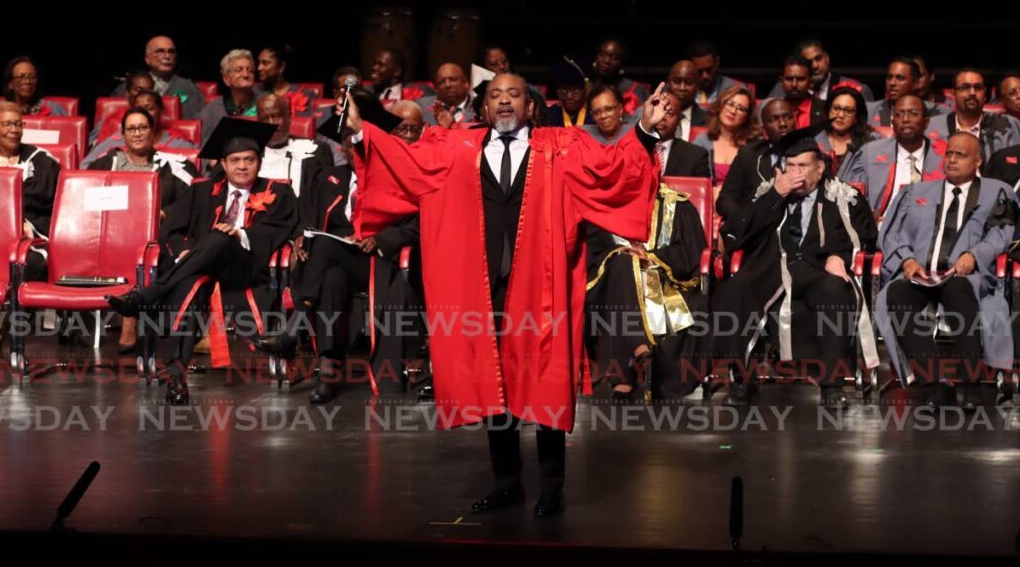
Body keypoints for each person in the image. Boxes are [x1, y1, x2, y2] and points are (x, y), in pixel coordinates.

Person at [342, 72, 670, 517]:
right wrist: (362, 130)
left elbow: (612, 170)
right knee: (496, 385)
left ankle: (551, 486)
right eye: (495, 95)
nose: (503, 102)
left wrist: (646, 130)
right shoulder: (456, 148)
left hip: (542, 285)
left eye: (513, 94)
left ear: (530, 106)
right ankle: (507, 481)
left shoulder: (561, 146)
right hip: (481, 286)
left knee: (547, 382)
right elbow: (403, 161)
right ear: (483, 108)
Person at [106, 118, 298, 404]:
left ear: (259, 162)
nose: (242, 166)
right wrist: (185, 251)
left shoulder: (278, 192)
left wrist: (240, 233)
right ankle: (177, 378)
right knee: (193, 285)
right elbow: (172, 230)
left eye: (249, 159)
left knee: (220, 237)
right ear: (223, 162)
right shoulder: (200, 190)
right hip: (199, 269)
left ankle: (150, 292)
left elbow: (282, 231)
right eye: (235, 160)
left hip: (245, 269)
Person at [253, 93, 420, 403]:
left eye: (357, 141)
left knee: (327, 254)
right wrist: (302, 237)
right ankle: (328, 373)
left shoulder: (396, 177)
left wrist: (381, 240)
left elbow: (415, 223)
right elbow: (309, 220)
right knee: (330, 274)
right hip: (337, 261)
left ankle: (294, 330)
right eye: (346, 143)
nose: (352, 148)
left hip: (377, 262)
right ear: (341, 148)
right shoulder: (328, 177)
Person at [712, 134, 878, 408]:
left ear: (820, 168)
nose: (795, 173)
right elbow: (737, 232)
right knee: (737, 287)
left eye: (802, 166)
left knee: (834, 289)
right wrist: (776, 195)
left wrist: (840, 256)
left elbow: (867, 235)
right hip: (773, 268)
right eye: (790, 166)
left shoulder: (843, 195)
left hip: (818, 271)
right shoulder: (770, 191)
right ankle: (741, 379)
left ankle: (831, 385)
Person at [873, 133, 1017, 409]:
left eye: (960, 155)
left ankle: (971, 383)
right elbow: (892, 233)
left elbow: (1002, 233)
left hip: (964, 275)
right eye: (948, 153)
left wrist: (975, 254)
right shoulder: (916, 192)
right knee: (897, 295)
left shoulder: (996, 192)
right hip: (920, 272)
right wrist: (906, 259)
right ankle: (934, 384)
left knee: (959, 290)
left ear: (978, 160)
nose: (951, 159)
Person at [88, 107, 199, 355]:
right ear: (123, 135)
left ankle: (132, 315)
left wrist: (164, 213)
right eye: (131, 129)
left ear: (153, 133)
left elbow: (189, 202)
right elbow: (88, 197)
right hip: (111, 236)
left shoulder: (173, 166)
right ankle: (130, 313)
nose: (137, 133)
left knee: (156, 251)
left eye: (143, 128)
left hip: (157, 237)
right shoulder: (107, 164)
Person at [585, 178, 709, 400]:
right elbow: (591, 254)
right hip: (617, 279)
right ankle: (638, 347)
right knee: (622, 265)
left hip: (664, 278)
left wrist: (650, 257)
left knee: (635, 278)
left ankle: (626, 375)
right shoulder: (603, 204)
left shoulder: (676, 205)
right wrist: (622, 258)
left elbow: (690, 253)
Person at [839, 95, 945, 217]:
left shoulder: (943, 155)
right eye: (899, 114)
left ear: (926, 122)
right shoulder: (870, 153)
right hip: (880, 227)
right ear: (893, 122)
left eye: (913, 113)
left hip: (928, 229)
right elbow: (848, 198)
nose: (905, 119)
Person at [0, 102, 59, 281]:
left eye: (18, 124)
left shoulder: (40, 159)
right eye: (7, 124)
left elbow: (42, 196)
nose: (14, 130)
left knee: (30, 262)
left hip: (29, 230)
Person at [716, 98, 795, 223]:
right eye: (774, 119)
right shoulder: (748, 156)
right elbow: (725, 201)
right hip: (757, 231)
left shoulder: (811, 155)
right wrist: (748, 220)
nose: (783, 124)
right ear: (763, 130)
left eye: (788, 117)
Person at [82, 90, 197, 168]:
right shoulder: (115, 140)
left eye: (150, 108)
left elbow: (198, 168)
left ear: (161, 110)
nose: (144, 114)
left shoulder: (178, 144)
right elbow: (84, 167)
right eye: (139, 109)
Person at [926, 69, 1020, 162]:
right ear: (953, 94)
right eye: (965, 87)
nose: (972, 93)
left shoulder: (1008, 125)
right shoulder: (932, 126)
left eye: (978, 88)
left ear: (985, 95)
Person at [113, 36, 204, 119]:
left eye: (171, 52)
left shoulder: (188, 87)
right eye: (160, 51)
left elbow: (194, 122)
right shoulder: (131, 85)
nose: (167, 56)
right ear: (147, 59)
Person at [693, 85, 760, 189]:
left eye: (741, 109)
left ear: (747, 117)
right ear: (721, 105)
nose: (733, 111)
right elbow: (693, 182)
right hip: (707, 200)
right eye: (730, 104)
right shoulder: (702, 141)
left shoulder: (753, 145)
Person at [764, 38, 874, 101]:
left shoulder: (856, 89)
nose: (815, 66)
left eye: (818, 58)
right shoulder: (783, 87)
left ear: (827, 58)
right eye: (809, 61)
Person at [198, 49, 258, 141]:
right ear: (226, 79)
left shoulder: (264, 104)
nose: (246, 74)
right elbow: (205, 145)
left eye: (250, 70)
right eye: (239, 70)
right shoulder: (212, 109)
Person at [815, 86, 875, 175]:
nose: (841, 115)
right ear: (828, 110)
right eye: (836, 108)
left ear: (857, 116)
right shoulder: (814, 139)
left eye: (848, 111)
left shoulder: (867, 143)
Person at [650, 91, 710, 178]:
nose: (662, 117)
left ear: (679, 120)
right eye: (657, 111)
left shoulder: (696, 156)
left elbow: (700, 190)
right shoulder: (634, 149)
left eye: (669, 113)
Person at [589, 37, 652, 116]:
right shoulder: (587, 88)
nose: (606, 61)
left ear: (621, 63)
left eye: (614, 58)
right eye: (602, 55)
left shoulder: (636, 90)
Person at [254, 44, 317, 116]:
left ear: (281, 67)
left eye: (265, 63)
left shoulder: (305, 95)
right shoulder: (254, 93)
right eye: (259, 63)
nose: (259, 68)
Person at [2, 56, 67, 116]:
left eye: (32, 77)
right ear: (10, 84)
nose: (28, 81)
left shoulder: (53, 108)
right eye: (21, 77)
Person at [418, 63, 475, 127]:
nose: (447, 85)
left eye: (453, 79)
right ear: (436, 88)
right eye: (441, 82)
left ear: (466, 83)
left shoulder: (479, 107)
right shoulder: (421, 107)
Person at [689, 40, 743, 107]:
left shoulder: (737, 90)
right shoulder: (684, 91)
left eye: (709, 70)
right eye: (699, 71)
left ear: (717, 62)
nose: (704, 76)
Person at [664, 59, 709, 140]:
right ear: (668, 83)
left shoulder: (708, 121)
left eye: (688, 82)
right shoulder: (653, 116)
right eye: (677, 81)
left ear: (697, 86)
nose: (682, 88)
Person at [545, 57, 589, 128]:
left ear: (584, 92)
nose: (569, 96)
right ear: (558, 92)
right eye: (564, 91)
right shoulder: (549, 115)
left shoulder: (593, 116)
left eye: (575, 91)